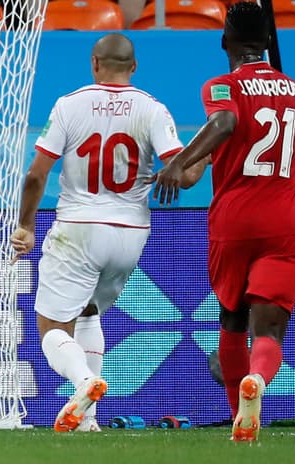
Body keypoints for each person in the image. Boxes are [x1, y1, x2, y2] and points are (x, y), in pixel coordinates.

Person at [11, 34, 185, 433]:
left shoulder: (70, 105)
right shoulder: (153, 108)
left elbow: (36, 175)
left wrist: (26, 226)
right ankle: (88, 420)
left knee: (52, 328)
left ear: (94, 63)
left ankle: (85, 381)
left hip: (79, 228)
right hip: (131, 234)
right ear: (134, 67)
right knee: (89, 312)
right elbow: (184, 173)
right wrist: (201, 158)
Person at [155, 2, 295, 441]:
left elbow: (224, 122)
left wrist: (179, 162)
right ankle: (256, 380)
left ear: (225, 42)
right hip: (285, 218)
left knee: (233, 320)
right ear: (268, 42)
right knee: (270, 328)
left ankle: (239, 414)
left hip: (234, 219)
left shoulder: (222, 86)